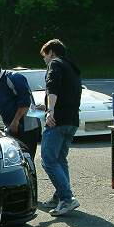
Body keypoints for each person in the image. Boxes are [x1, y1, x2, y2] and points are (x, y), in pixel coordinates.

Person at [38, 39, 82, 216]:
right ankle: (60, 196)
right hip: (72, 120)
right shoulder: (72, 67)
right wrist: (46, 106)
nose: (45, 59)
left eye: (45, 55)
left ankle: (67, 198)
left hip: (57, 121)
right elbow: (66, 94)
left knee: (48, 160)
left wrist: (50, 111)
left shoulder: (55, 64)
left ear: (51, 52)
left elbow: (52, 87)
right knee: (60, 159)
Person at [0, 58, 42, 158]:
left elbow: (25, 103)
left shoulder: (14, 78)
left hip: (28, 127)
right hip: (12, 128)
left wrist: (15, 121)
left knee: (27, 158)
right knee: (14, 159)